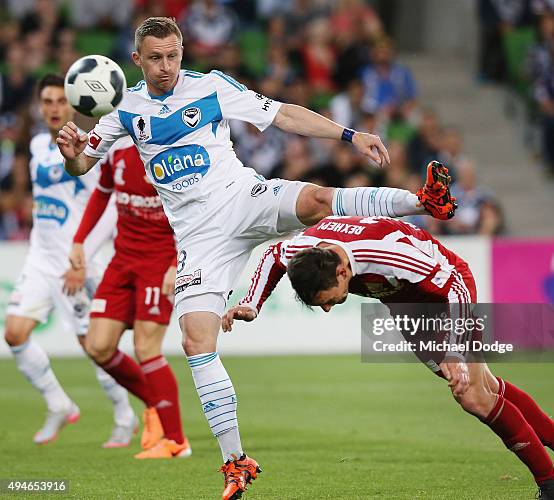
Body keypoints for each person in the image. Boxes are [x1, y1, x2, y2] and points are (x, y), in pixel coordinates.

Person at [56, 17, 454, 499]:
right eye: (155, 58)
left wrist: (348, 136)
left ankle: (422, 200)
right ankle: (235, 461)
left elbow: (283, 115)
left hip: (244, 197)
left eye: (173, 55)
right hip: (199, 239)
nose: (166, 66)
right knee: (196, 339)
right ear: (137, 60)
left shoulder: (211, 87)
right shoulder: (124, 111)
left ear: (182, 50)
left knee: (317, 200)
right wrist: (72, 152)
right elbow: (82, 162)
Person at [223, 215, 554, 500]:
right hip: (403, 304)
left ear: (343, 271)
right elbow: (274, 253)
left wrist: (456, 350)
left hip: (450, 290)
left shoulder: (387, 255)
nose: (328, 310)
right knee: (485, 388)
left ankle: (552, 485)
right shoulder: (304, 251)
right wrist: (251, 304)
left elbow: (454, 286)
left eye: (331, 301)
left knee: (472, 394)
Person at [3, 74, 137, 447]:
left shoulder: (90, 148)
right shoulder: (35, 146)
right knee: (14, 333)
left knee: (94, 346)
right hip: (40, 258)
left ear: (74, 104)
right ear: (39, 106)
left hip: (78, 264)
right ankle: (58, 403)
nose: (53, 108)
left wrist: (82, 258)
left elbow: (108, 205)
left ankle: (125, 417)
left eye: (60, 101)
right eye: (46, 101)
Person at [69, 135, 189, 458]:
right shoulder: (116, 150)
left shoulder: (174, 153)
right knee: (98, 345)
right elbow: (102, 193)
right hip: (122, 261)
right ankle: (153, 403)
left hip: (159, 262)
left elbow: (194, 213)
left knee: (146, 347)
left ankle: (176, 442)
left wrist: (178, 262)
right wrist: (79, 240)